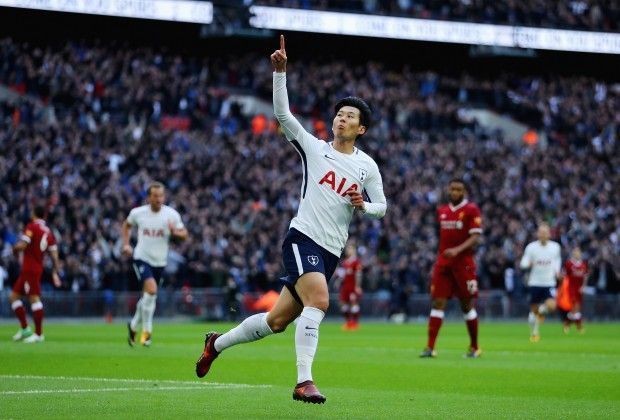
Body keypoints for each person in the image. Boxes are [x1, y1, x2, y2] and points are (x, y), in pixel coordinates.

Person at [195, 35, 387, 404]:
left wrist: (364, 206)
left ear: (361, 129)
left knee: (276, 321)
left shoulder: (367, 166)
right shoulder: (315, 148)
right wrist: (279, 73)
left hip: (330, 250)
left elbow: (382, 206)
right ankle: (303, 381)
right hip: (303, 238)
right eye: (340, 114)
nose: (341, 118)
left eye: (350, 116)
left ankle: (216, 343)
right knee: (320, 301)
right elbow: (283, 116)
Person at [420, 179, 483, 358]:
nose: (455, 192)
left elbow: (476, 237)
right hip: (443, 264)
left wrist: (456, 250)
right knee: (438, 303)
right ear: (448, 190)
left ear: (464, 192)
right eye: (452, 189)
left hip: (464, 264)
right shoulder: (442, 211)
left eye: (459, 189)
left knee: (466, 305)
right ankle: (430, 348)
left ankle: (474, 347)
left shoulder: (471, 210)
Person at [122, 182, 188, 347]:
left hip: (160, 262)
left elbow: (184, 234)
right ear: (148, 197)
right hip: (141, 257)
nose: (158, 199)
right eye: (155, 196)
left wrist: (175, 233)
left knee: (148, 296)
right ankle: (147, 332)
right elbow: (126, 225)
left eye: (161, 196)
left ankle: (132, 325)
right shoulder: (138, 213)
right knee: (152, 290)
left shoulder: (171, 215)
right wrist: (126, 244)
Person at [10, 205, 62, 343]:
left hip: (30, 268)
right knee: (14, 297)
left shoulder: (32, 227)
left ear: (33, 213)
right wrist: (55, 272)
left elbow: (23, 245)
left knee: (34, 298)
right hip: (33, 268)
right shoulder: (49, 231)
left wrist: (14, 249)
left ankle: (39, 334)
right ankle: (25, 329)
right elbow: (54, 253)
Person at [519, 223, 562, 343]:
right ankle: (534, 333)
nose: (543, 235)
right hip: (535, 283)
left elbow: (557, 261)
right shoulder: (531, 247)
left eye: (545, 232)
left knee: (552, 306)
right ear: (538, 234)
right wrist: (528, 264)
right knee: (533, 311)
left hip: (549, 282)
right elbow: (523, 262)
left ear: (549, 234)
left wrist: (557, 272)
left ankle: (541, 311)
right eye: (541, 232)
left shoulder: (555, 247)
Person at [336, 243, 363, 330]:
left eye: (350, 249)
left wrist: (358, 286)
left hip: (352, 286)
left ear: (354, 250)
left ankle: (355, 323)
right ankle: (348, 323)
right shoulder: (345, 262)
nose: (348, 250)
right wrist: (338, 281)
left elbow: (358, 274)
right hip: (345, 286)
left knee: (354, 303)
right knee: (343, 305)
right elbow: (343, 274)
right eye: (347, 249)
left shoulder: (356, 262)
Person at [562, 247, 588, 333]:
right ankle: (579, 325)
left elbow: (585, 276)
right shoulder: (568, 264)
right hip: (571, 288)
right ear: (573, 253)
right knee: (574, 306)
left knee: (576, 308)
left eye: (578, 252)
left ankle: (567, 324)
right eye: (575, 252)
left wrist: (583, 286)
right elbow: (564, 276)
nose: (577, 254)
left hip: (579, 288)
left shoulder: (583, 264)